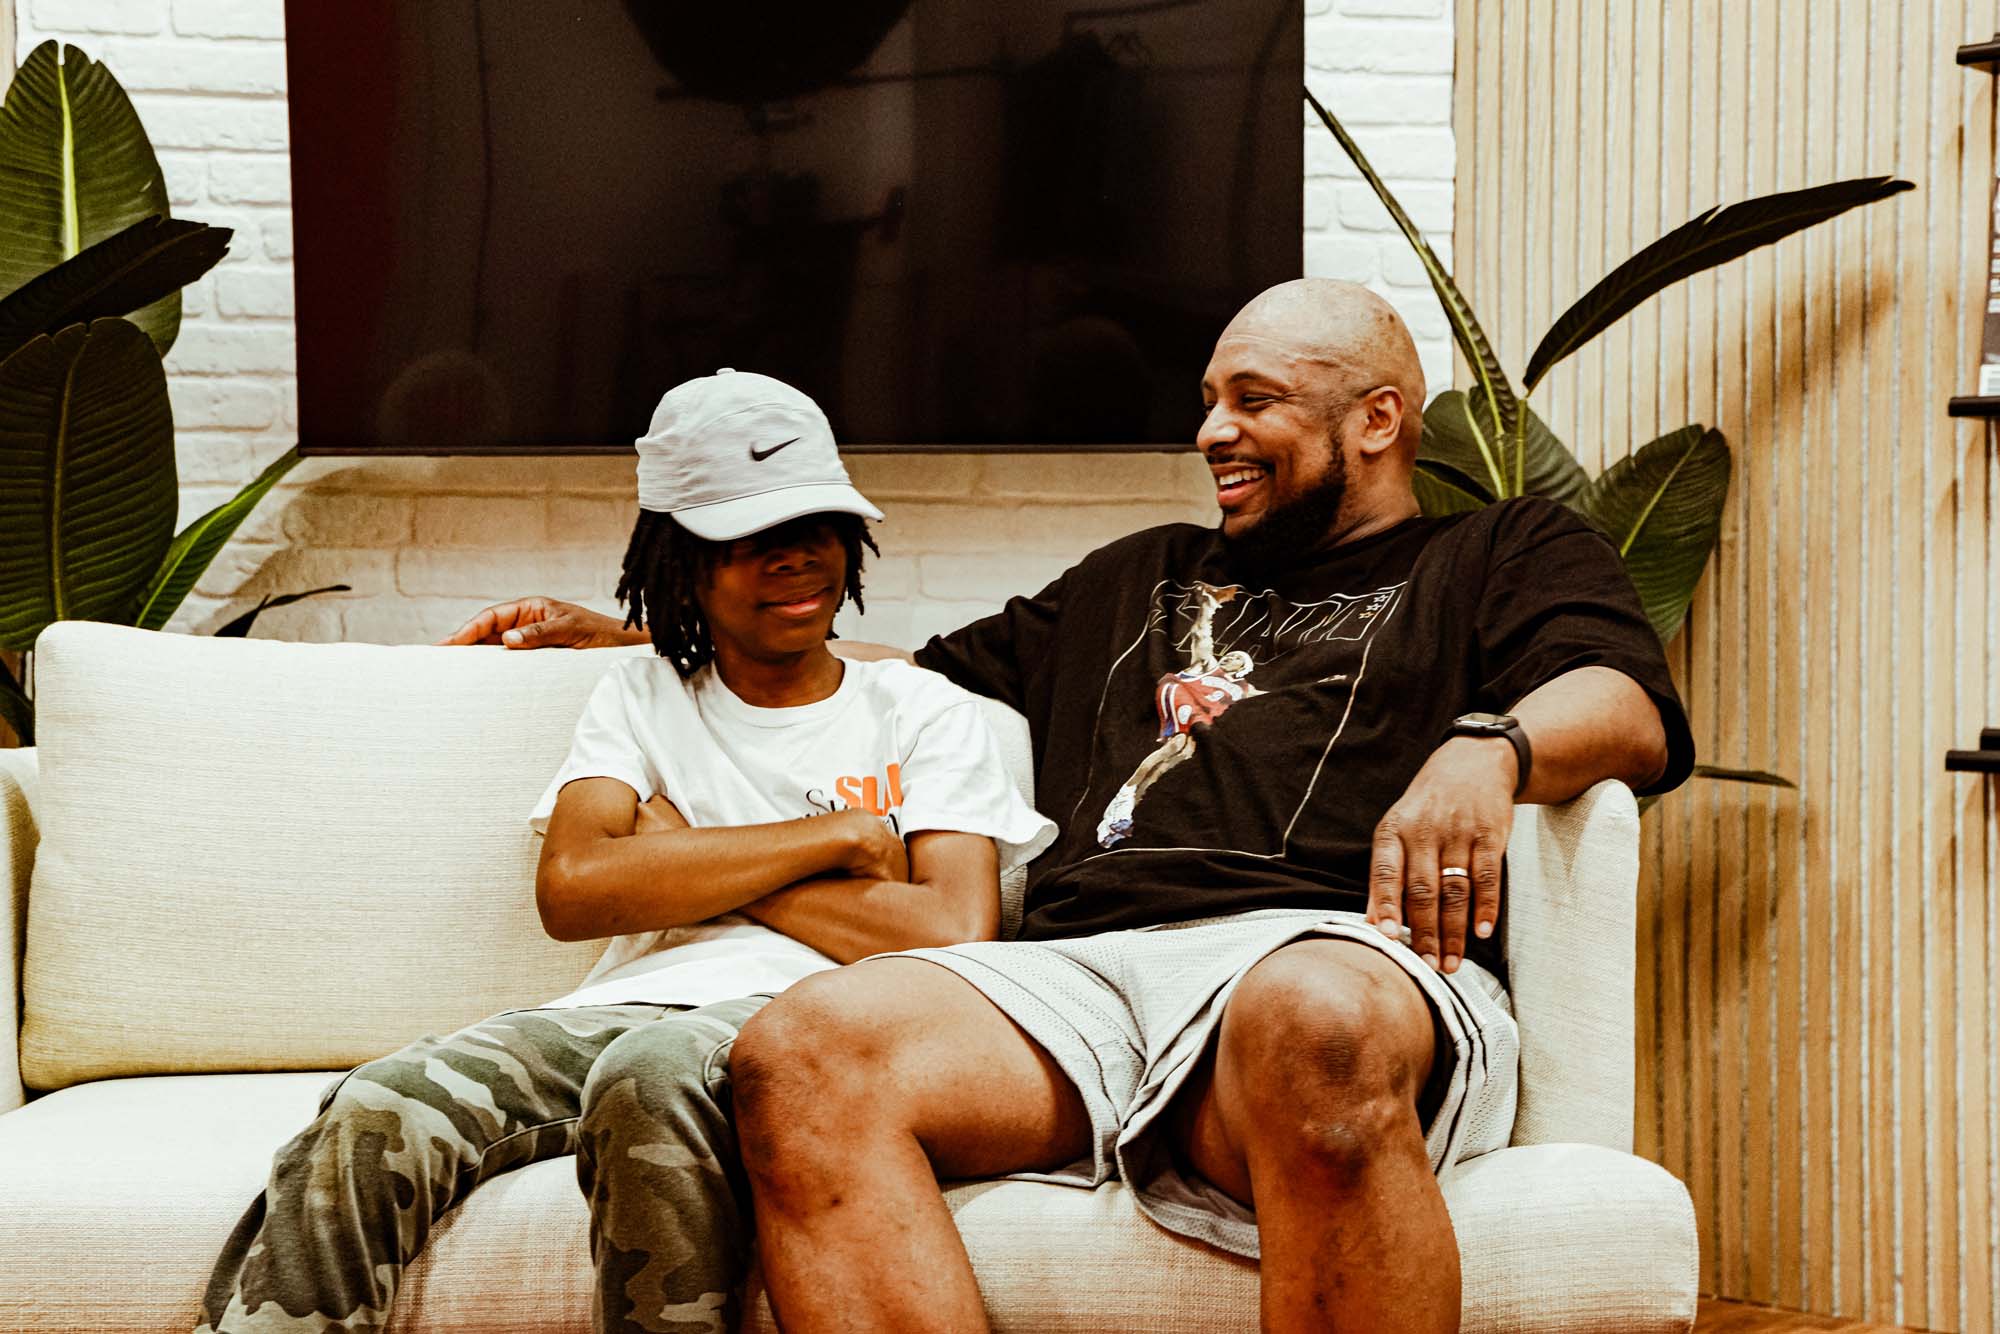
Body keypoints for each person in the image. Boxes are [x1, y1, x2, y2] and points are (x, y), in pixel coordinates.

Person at [446, 278, 1695, 1332]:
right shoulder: (1133, 575)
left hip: (1324, 949)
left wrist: (1491, 744)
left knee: (1306, 1018)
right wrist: (642, 632)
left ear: (1375, 419)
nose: (1210, 429)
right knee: (801, 1051)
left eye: (1251, 400)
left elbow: (1626, 706)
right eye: (1207, 398)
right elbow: (885, 678)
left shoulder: (1495, 551)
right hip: (1082, 976)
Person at [196, 370, 1053, 1334]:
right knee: (377, 1105)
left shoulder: (920, 710)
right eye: (750, 537)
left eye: (818, 525)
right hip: (621, 1009)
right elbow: (573, 887)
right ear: (682, 563)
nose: (797, 558)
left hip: (809, 1032)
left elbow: (947, 927)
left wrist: (685, 853)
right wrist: (836, 843)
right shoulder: (640, 700)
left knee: (650, 1072)